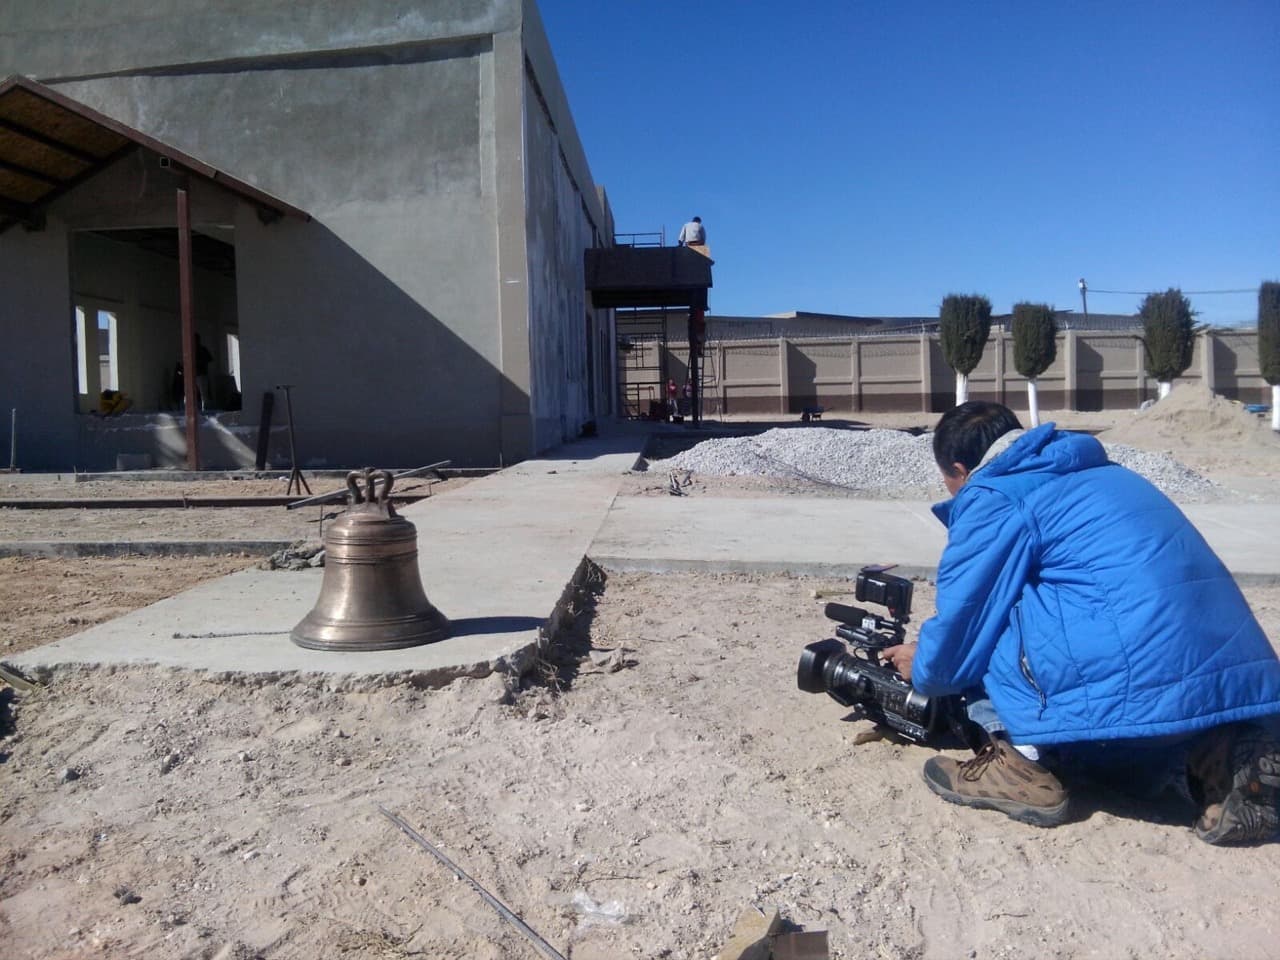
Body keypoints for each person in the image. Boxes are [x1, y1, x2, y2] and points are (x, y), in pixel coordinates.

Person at [880, 401, 1280, 844]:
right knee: (1113, 735)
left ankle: (1021, 763)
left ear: (959, 469)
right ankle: (1220, 756)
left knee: (994, 621)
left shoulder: (994, 496)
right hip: (1226, 672)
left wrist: (921, 666)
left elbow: (961, 626)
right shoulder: (1106, 472)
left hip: (1134, 663)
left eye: (948, 482)